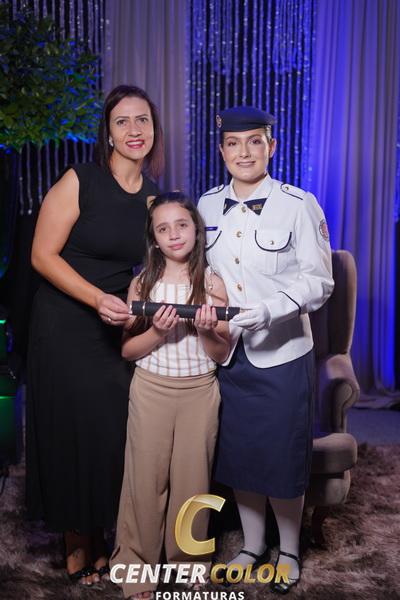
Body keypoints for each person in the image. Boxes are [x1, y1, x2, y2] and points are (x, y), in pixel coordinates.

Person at [26, 84, 164, 586]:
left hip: (114, 326)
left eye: (142, 120)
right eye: (122, 121)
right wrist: (96, 299)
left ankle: (103, 531)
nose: (134, 130)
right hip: (65, 321)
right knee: (71, 429)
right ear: (108, 132)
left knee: (110, 430)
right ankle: (76, 540)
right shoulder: (79, 180)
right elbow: (41, 255)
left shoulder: (153, 197)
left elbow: (151, 267)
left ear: (154, 129)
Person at [197, 106, 334, 594]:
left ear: (271, 147)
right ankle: (253, 546)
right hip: (227, 352)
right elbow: (198, 270)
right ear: (222, 151)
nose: (244, 153)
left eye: (255, 142)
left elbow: (319, 281)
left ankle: (290, 550)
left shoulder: (299, 204)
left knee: (281, 456)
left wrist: (272, 310)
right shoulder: (206, 205)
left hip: (283, 353)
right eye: (233, 144)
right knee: (241, 455)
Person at [110, 192, 230, 600]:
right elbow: (127, 351)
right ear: (154, 239)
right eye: (163, 229)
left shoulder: (212, 283)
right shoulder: (142, 283)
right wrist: (158, 332)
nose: (174, 234)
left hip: (199, 393)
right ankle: (136, 569)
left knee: (193, 483)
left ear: (196, 229)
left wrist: (206, 329)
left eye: (181, 224)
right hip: (150, 391)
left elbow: (221, 354)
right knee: (144, 482)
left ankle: (190, 565)